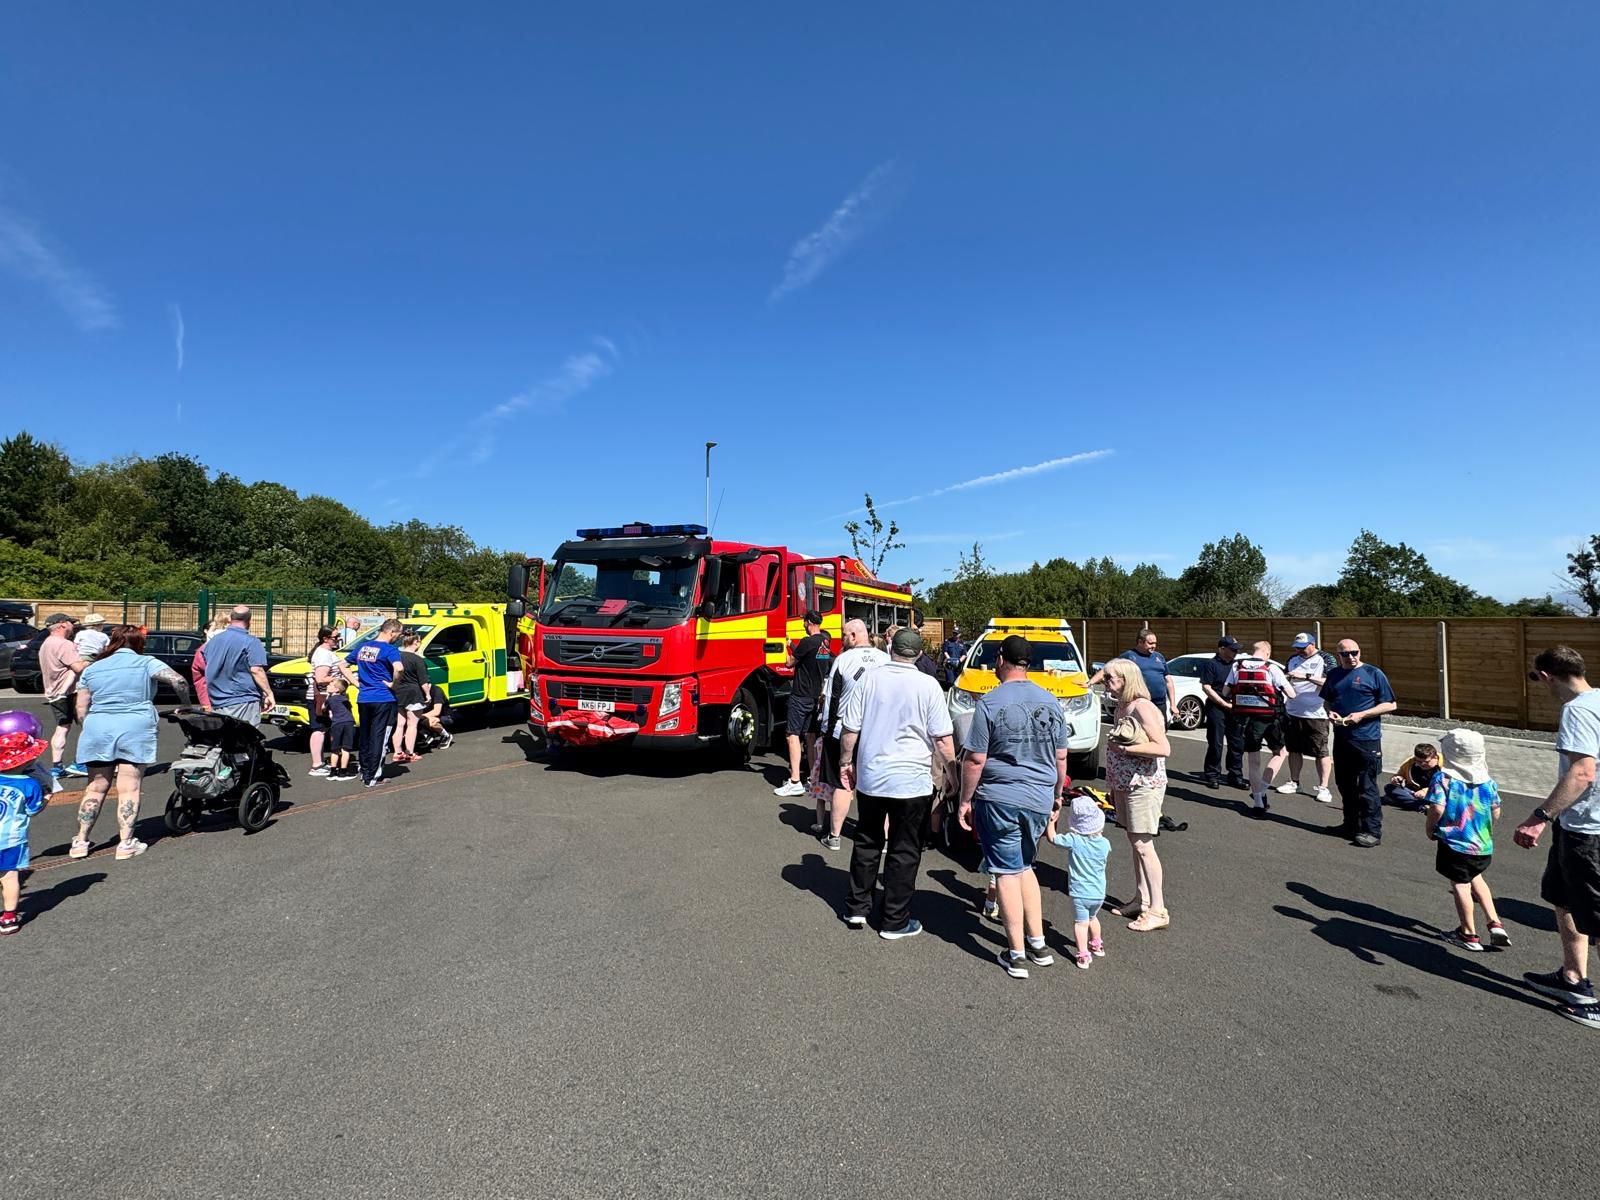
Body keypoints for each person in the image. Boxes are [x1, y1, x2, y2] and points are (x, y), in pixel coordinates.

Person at [958, 634, 1069, 977]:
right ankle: (1038, 942)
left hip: (1000, 795)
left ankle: (1016, 951)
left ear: (1001, 659)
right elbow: (1061, 755)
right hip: (1037, 797)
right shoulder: (1050, 702)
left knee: (1005, 871)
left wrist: (964, 799)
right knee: (1024, 867)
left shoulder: (990, 702)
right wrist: (1056, 795)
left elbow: (975, 759)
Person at [838, 628, 955, 941]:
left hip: (873, 776)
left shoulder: (870, 679)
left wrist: (846, 763)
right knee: (904, 847)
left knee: (867, 838)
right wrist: (952, 775)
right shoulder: (928, 685)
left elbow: (850, 729)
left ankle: (857, 907)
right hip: (912, 782)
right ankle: (894, 919)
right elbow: (942, 739)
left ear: (890, 648)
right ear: (917, 654)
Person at [1514, 645, 1600, 1029]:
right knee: (1563, 899)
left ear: (1547, 676)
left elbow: (1582, 772)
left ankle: (1595, 1006)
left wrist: (1540, 816)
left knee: (1596, 913)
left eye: (1537, 677)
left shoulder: (1577, 711)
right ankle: (1573, 978)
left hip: (1588, 828)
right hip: (1575, 825)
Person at [69, 625, 191, 861]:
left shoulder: (93, 668)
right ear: (138, 644)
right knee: (129, 786)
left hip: (98, 726)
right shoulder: (146, 662)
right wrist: (185, 704)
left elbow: (81, 705)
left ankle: (81, 841)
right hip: (134, 725)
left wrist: (90, 726)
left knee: (95, 786)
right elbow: (179, 681)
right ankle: (126, 843)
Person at [1100, 657, 1172, 931]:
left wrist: (1126, 751)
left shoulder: (1143, 708)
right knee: (1135, 842)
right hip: (1125, 784)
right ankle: (1141, 900)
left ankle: (1158, 909)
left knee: (1143, 845)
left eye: (1110, 678)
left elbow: (1163, 748)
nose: (1105, 682)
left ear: (1126, 679)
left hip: (1144, 784)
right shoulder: (1122, 707)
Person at [1425, 729, 1509, 953]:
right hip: (1481, 843)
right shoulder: (1487, 782)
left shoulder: (1444, 778)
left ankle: (1468, 932)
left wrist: (1430, 827)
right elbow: (1496, 810)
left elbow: (1436, 807)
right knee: (1476, 877)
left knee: (1460, 884)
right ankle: (1494, 922)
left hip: (1455, 842)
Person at [815, 618, 887, 851]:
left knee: (842, 783)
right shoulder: (886, 660)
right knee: (879, 787)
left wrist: (825, 730)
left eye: (844, 635)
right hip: (879, 733)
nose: (842, 639)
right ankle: (883, 840)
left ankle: (834, 836)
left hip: (844, 732)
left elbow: (831, 700)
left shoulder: (843, 660)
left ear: (854, 636)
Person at [1324, 639, 1398, 848]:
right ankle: (1350, 824)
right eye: (1345, 654)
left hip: (1366, 739)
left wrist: (1363, 714)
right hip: (1342, 737)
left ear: (1359, 651)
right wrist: (1330, 712)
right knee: (1344, 784)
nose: (1350, 657)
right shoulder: (1334, 675)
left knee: (1367, 787)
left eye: (1354, 652)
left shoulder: (1374, 674)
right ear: (1338, 655)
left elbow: (1391, 704)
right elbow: (1327, 699)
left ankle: (1372, 830)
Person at [1224, 640, 1294, 816]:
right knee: (1280, 753)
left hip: (1246, 718)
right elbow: (1291, 694)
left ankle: (1258, 803)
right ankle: (1262, 790)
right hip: (1270, 718)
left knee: (1253, 761)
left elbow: (1225, 691)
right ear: (1268, 653)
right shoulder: (1271, 668)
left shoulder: (1237, 666)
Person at [1045, 793, 1111, 969]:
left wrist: (1051, 821)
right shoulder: (1105, 844)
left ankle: (1083, 954)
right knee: (1093, 918)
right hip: (1099, 893)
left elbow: (1053, 839)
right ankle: (1097, 944)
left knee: (1080, 924)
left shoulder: (1074, 841)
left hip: (1080, 892)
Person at [1267, 632, 1334, 804]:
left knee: (1321, 751)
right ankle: (1294, 781)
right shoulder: (1292, 659)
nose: (1299, 651)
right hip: (1293, 711)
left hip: (1316, 712)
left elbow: (1331, 683)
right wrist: (1287, 679)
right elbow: (1283, 679)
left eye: (1303, 648)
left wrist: (1307, 677)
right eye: (1297, 648)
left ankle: (1324, 787)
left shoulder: (1325, 659)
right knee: (1294, 749)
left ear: (1313, 644)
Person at [773, 610, 831, 798]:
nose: (803, 625)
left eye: (804, 622)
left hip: (800, 695)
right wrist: (793, 645)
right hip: (815, 696)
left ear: (808, 622)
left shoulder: (807, 642)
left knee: (792, 735)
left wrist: (785, 649)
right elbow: (808, 657)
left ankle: (795, 780)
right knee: (811, 736)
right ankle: (813, 778)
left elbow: (791, 663)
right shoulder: (824, 643)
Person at [0, 730, 50, 934]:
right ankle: (9, 917)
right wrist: (47, 797)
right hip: (11, 839)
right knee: (9, 877)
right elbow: (32, 810)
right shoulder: (30, 784)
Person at [346, 618, 404, 788]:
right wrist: (394, 684)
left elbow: (343, 664)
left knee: (365, 736)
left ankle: (364, 770)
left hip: (364, 698)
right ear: (391, 632)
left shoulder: (363, 647)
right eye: (397, 635)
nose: (397, 638)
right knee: (380, 737)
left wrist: (355, 683)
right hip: (384, 698)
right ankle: (372, 776)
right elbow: (399, 668)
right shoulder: (389, 650)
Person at [202, 606, 276, 725]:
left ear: (231, 619)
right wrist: (269, 693)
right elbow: (257, 670)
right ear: (249, 621)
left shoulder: (213, 642)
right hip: (242, 698)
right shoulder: (251, 641)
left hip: (217, 700)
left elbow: (205, 664)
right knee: (245, 739)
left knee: (225, 739)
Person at [37, 613, 88, 785]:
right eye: (70, 623)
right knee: (88, 726)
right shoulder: (64, 644)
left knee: (62, 727)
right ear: (61, 625)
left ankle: (57, 767)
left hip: (53, 693)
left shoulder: (46, 644)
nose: (73, 626)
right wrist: (92, 659)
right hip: (71, 693)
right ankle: (80, 763)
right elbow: (78, 667)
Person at [1088, 630, 1174, 724]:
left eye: (1155, 643)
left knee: (1160, 731)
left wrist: (1173, 704)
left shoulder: (1159, 657)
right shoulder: (1129, 656)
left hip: (1160, 704)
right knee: (1142, 732)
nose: (1154, 646)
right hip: (1140, 703)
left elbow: (1168, 680)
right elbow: (1106, 669)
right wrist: (1090, 683)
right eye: (1150, 643)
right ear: (1140, 642)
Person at [1198, 635, 1243, 788]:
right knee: (1216, 743)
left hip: (1235, 708)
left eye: (1237, 650)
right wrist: (1224, 703)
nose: (1235, 652)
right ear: (1222, 649)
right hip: (1216, 707)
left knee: (1236, 743)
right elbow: (1207, 687)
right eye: (1232, 650)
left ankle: (1235, 775)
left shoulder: (1237, 665)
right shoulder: (1211, 664)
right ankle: (1212, 775)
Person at [305, 625, 342, 777]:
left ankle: (320, 762)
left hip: (323, 696)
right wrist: (340, 679)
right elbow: (320, 678)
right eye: (335, 637)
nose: (338, 640)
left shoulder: (326, 652)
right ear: (325, 639)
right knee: (319, 729)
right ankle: (316, 764)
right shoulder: (323, 655)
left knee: (323, 728)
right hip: (320, 697)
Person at [390, 632, 431, 763]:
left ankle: (397, 752)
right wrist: (428, 694)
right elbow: (423, 681)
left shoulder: (396, 656)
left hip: (398, 692)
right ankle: (410, 752)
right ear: (415, 642)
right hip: (413, 693)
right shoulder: (417, 659)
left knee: (400, 724)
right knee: (412, 724)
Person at [1384, 742, 1440, 811]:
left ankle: (1410, 803)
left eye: (1426, 762)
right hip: (1415, 792)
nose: (1422, 764)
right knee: (1389, 787)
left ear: (1435, 757)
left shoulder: (1445, 766)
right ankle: (1423, 807)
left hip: (1435, 794)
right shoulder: (1410, 762)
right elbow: (1400, 774)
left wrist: (1425, 792)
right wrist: (1397, 778)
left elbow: (1446, 785)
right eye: (1418, 761)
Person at [190, 616, 229, 711]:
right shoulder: (203, 651)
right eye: (215, 629)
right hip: (212, 700)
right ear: (206, 631)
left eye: (222, 629)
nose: (218, 632)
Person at [324, 677, 358, 781]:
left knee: (335, 749)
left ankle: (333, 771)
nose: (328, 686)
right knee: (346, 748)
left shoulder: (330, 700)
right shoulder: (345, 699)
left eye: (331, 685)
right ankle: (343, 771)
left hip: (336, 724)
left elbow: (323, 709)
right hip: (348, 723)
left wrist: (327, 697)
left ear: (336, 690)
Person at [418, 686, 453, 751]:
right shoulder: (418, 692)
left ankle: (446, 735)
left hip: (445, 717)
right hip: (427, 716)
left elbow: (436, 711)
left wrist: (420, 717)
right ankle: (427, 736)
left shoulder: (437, 691)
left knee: (432, 722)